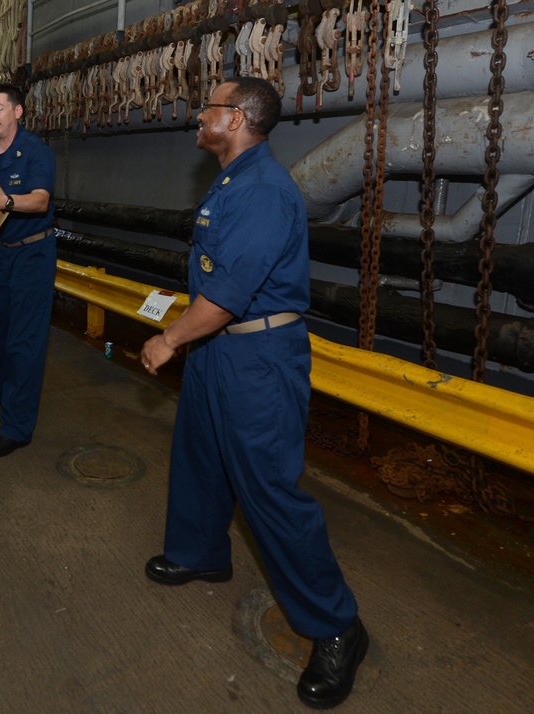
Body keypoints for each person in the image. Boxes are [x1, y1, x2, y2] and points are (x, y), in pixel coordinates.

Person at [140, 78, 368, 709]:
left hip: (257, 357)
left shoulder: (265, 191)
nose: (198, 115)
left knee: (267, 491)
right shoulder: (234, 178)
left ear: (234, 119)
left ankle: (337, 626)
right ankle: (201, 553)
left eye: (208, 107)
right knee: (200, 454)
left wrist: (170, 341)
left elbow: (224, 298)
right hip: (224, 351)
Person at [0, 84, 56, 458]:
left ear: (18, 112)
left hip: (32, 255)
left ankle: (16, 427)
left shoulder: (37, 152)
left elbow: (40, 200)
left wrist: (6, 201)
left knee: (24, 341)